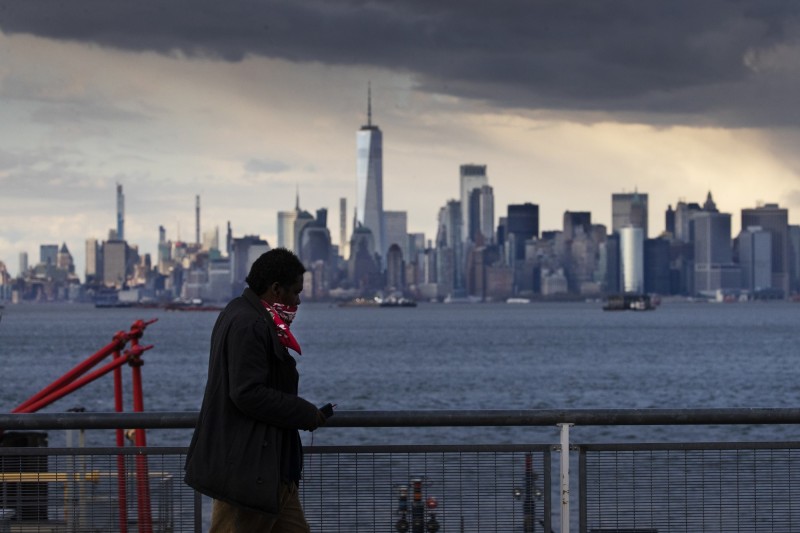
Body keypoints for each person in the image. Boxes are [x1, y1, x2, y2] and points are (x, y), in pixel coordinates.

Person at [185, 248, 327, 532]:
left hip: (271, 473)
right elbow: (247, 392)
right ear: (276, 289)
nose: (298, 300)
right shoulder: (249, 324)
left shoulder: (242, 315)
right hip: (249, 474)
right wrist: (304, 413)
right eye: (295, 292)